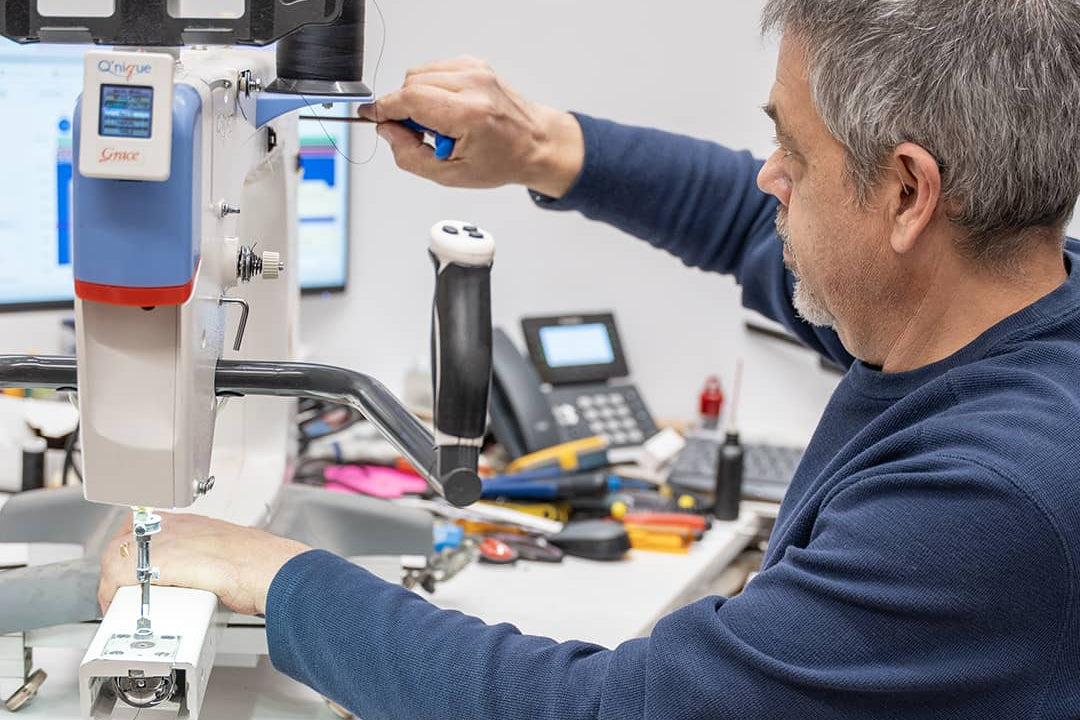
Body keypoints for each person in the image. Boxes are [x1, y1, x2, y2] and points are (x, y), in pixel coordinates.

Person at [100, 1, 1080, 718]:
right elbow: (744, 212)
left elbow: (613, 712)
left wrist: (280, 579)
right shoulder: (1000, 296)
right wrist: (536, 147)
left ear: (909, 194)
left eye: (791, 151)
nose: (765, 175)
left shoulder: (985, 499)